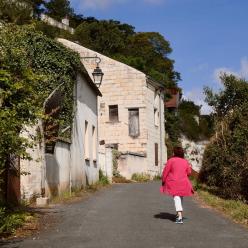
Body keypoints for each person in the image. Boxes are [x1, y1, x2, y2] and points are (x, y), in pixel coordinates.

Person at [160, 147, 194, 224]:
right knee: (180, 197)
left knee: (176, 197)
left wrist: (163, 180)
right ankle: (179, 214)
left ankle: (179, 216)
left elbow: (166, 171)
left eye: (173, 152)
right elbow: (189, 172)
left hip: (174, 182)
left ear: (175, 153)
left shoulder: (171, 160)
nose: (172, 153)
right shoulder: (185, 162)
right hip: (183, 182)